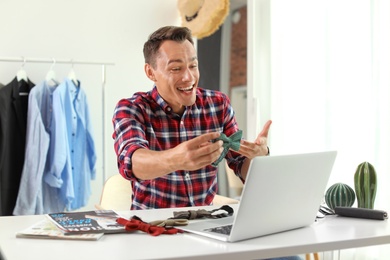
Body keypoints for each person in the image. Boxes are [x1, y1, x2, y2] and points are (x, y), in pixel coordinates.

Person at [112, 25, 272, 210]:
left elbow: (240, 165)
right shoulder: (132, 108)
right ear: (151, 72)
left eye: (193, 66)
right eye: (176, 68)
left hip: (205, 223)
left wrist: (257, 157)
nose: (189, 77)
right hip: (154, 226)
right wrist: (176, 159)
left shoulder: (218, 104)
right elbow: (131, 162)